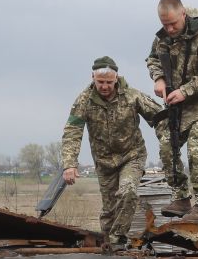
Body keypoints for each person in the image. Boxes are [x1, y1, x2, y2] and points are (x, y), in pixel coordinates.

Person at [61, 56, 164, 248]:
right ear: (93, 77)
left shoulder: (132, 96)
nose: (105, 86)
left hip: (132, 156)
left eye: (109, 82)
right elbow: (72, 131)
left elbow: (160, 117)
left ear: (116, 78)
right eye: (100, 82)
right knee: (109, 210)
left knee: (127, 191)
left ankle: (118, 240)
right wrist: (69, 164)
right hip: (104, 162)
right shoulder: (84, 101)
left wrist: (168, 144)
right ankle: (108, 247)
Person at [145, 0, 198, 223]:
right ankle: (181, 198)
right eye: (165, 24)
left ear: (183, 14)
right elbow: (152, 59)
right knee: (167, 147)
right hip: (177, 106)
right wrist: (159, 78)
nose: (170, 29)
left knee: (197, 149)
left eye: (173, 23)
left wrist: (186, 90)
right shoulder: (163, 38)